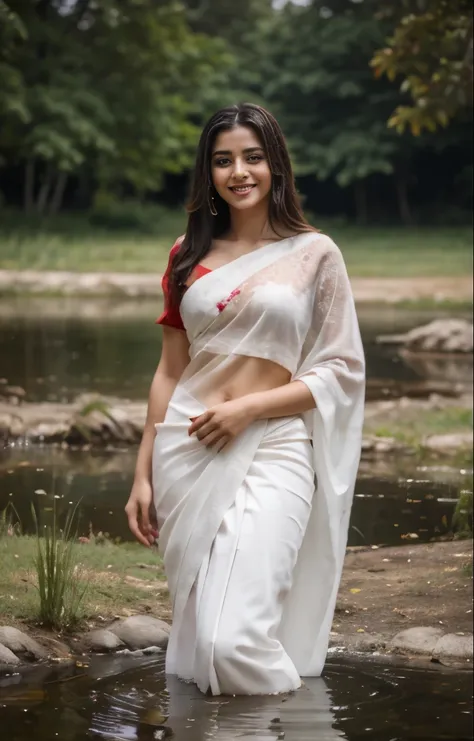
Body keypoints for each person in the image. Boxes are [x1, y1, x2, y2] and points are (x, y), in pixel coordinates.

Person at [125, 102, 365, 697]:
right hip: (189, 446)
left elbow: (342, 368)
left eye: (253, 157)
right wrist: (142, 473)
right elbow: (169, 369)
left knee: (232, 641)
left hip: (277, 445)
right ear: (207, 172)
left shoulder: (316, 254)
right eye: (223, 160)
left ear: (275, 165)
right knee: (202, 640)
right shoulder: (186, 255)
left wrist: (248, 409)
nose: (240, 172)